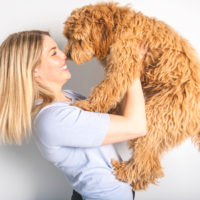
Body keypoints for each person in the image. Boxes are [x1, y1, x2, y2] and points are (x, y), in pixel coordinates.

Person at [0, 30, 147, 200]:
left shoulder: (69, 97)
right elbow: (136, 126)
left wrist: (121, 66)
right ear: (34, 71)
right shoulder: (52, 119)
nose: (64, 55)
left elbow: (119, 119)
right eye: (53, 53)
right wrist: (132, 68)